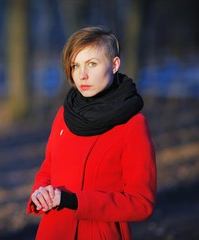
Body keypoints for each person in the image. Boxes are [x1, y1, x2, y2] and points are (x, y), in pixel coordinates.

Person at [27, 26, 157, 240]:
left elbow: (141, 203)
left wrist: (74, 201)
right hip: (53, 231)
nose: (82, 75)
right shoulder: (64, 114)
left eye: (92, 64)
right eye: (75, 66)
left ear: (114, 65)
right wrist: (41, 192)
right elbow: (47, 171)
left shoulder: (133, 124)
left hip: (99, 233)